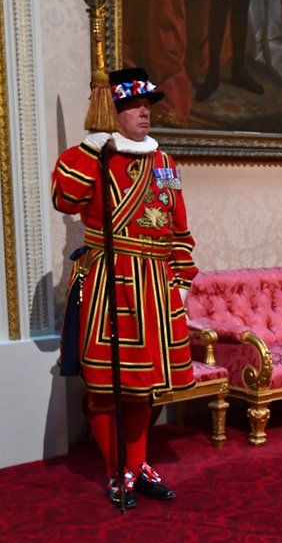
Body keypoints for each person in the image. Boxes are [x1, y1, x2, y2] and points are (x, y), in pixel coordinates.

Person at [51, 68, 198, 508]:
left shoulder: (165, 163)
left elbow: (178, 229)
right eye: (133, 106)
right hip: (111, 283)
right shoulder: (94, 158)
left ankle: (136, 464)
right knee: (104, 385)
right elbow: (65, 199)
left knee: (144, 384)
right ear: (111, 112)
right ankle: (118, 468)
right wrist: (89, 147)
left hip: (155, 286)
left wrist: (182, 281)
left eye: (146, 105)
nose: (143, 113)